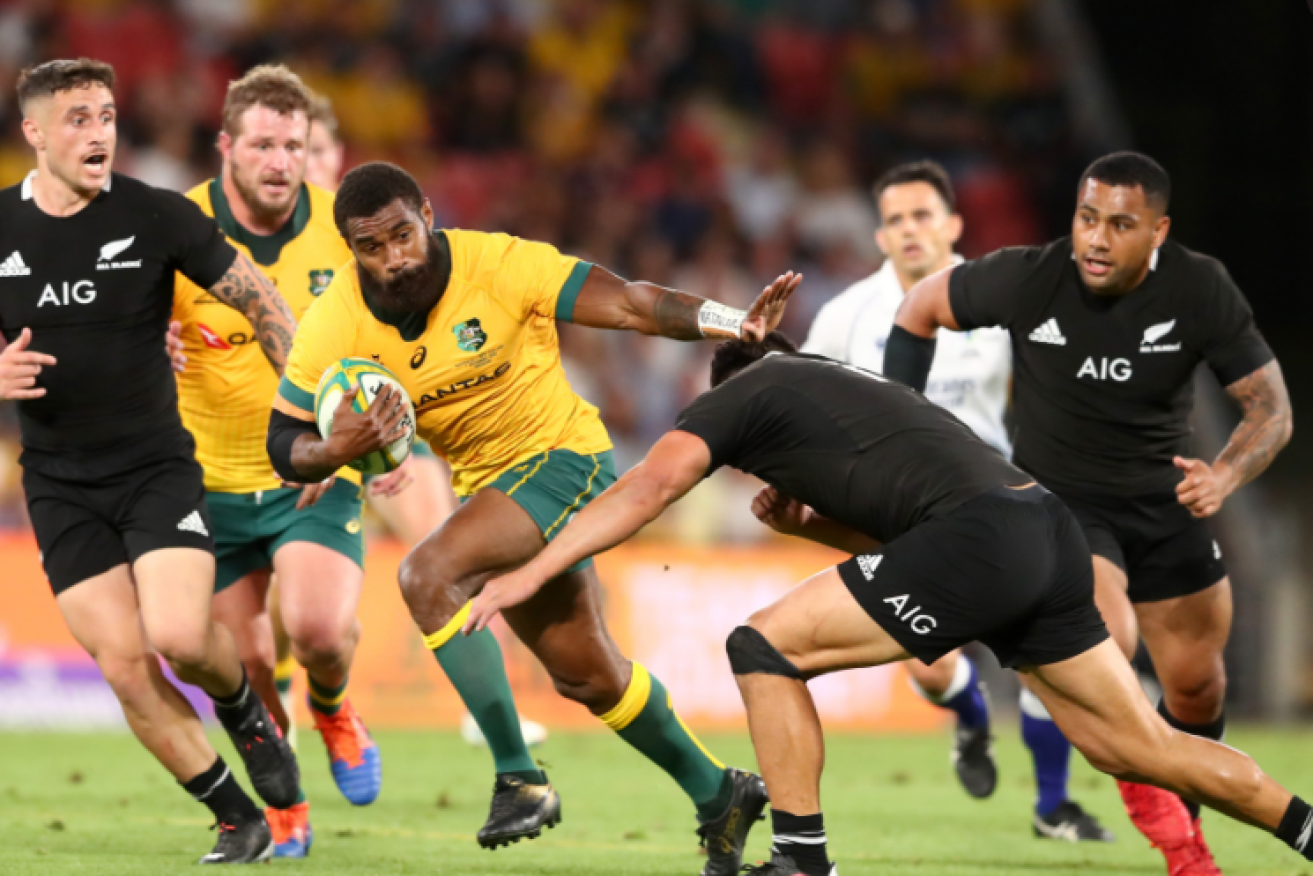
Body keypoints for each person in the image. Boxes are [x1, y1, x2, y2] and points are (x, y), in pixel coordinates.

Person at [464, 336, 1313, 876]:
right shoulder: (842, 393)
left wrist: (531, 570)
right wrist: (809, 527)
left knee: (761, 647)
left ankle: (800, 859)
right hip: (1040, 526)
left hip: (984, 539)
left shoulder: (739, 392)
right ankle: (1307, 831)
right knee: (1139, 747)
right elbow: (908, 557)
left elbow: (649, 484)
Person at [267, 160, 799, 873]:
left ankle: (518, 776)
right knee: (587, 676)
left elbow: (635, 304)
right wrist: (332, 450)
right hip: (490, 491)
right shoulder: (336, 320)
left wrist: (733, 322)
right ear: (350, 250)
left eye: (403, 233)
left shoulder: (501, 263)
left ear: (427, 213)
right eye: (373, 246)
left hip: (564, 462)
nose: (394, 257)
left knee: (428, 574)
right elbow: (283, 442)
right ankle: (719, 794)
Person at [883, 151, 1293, 874]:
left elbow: (1270, 408)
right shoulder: (1025, 276)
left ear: (1158, 232)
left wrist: (1225, 476)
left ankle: (1183, 814)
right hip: (1060, 507)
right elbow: (916, 311)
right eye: (1086, 218)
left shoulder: (1199, 289)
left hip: (1166, 504)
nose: (1096, 239)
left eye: (1120, 224)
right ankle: (1183, 853)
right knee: (1109, 646)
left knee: (1197, 687)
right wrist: (902, 428)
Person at [0, 58, 299, 864]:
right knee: (125, 670)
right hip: (59, 484)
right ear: (33, 133)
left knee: (178, 635)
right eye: (77, 119)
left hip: (152, 469)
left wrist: (310, 412)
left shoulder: (156, 215)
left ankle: (243, 708)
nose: (99, 133)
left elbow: (260, 301)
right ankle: (237, 817)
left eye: (105, 115)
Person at [803, 159, 1109, 841]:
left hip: (1002, 505)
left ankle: (1051, 805)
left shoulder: (1001, 297)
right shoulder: (844, 317)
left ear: (952, 225)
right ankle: (969, 715)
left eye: (921, 216)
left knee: (1044, 658)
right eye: (894, 221)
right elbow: (805, 398)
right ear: (879, 237)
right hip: (904, 511)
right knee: (930, 662)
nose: (909, 231)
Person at [170, 65, 406, 857]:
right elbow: (126, 319)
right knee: (244, 665)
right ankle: (286, 811)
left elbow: (387, 341)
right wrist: (152, 341)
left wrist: (380, 440)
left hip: (309, 470)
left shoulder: (342, 237)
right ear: (226, 147)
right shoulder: (178, 225)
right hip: (205, 483)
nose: (280, 161)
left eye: (294, 145)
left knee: (317, 630)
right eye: (263, 144)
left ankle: (335, 708)